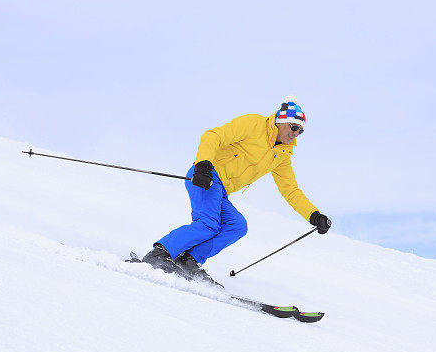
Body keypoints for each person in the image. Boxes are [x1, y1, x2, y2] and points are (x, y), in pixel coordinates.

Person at [141, 95, 331, 285]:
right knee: (209, 223)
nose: (296, 134)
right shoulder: (254, 124)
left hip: (221, 189)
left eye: (301, 131)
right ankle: (160, 253)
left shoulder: (282, 155)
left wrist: (313, 216)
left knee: (237, 225)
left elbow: (291, 191)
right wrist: (203, 165)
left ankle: (188, 260)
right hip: (206, 175)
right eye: (294, 127)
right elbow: (213, 136)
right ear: (281, 121)